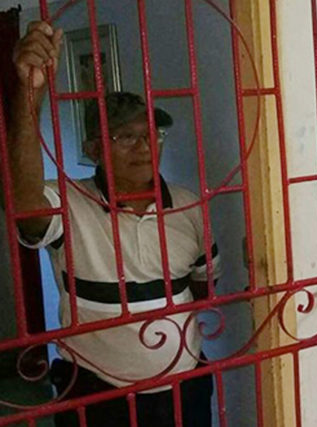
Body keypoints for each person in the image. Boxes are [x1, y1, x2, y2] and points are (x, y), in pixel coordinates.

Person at [9, 22, 222, 426]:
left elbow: (203, 287)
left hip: (184, 386)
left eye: (153, 133)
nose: (144, 146)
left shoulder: (189, 205)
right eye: (125, 136)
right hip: (98, 393)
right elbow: (25, 204)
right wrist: (30, 94)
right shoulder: (70, 202)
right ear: (93, 149)